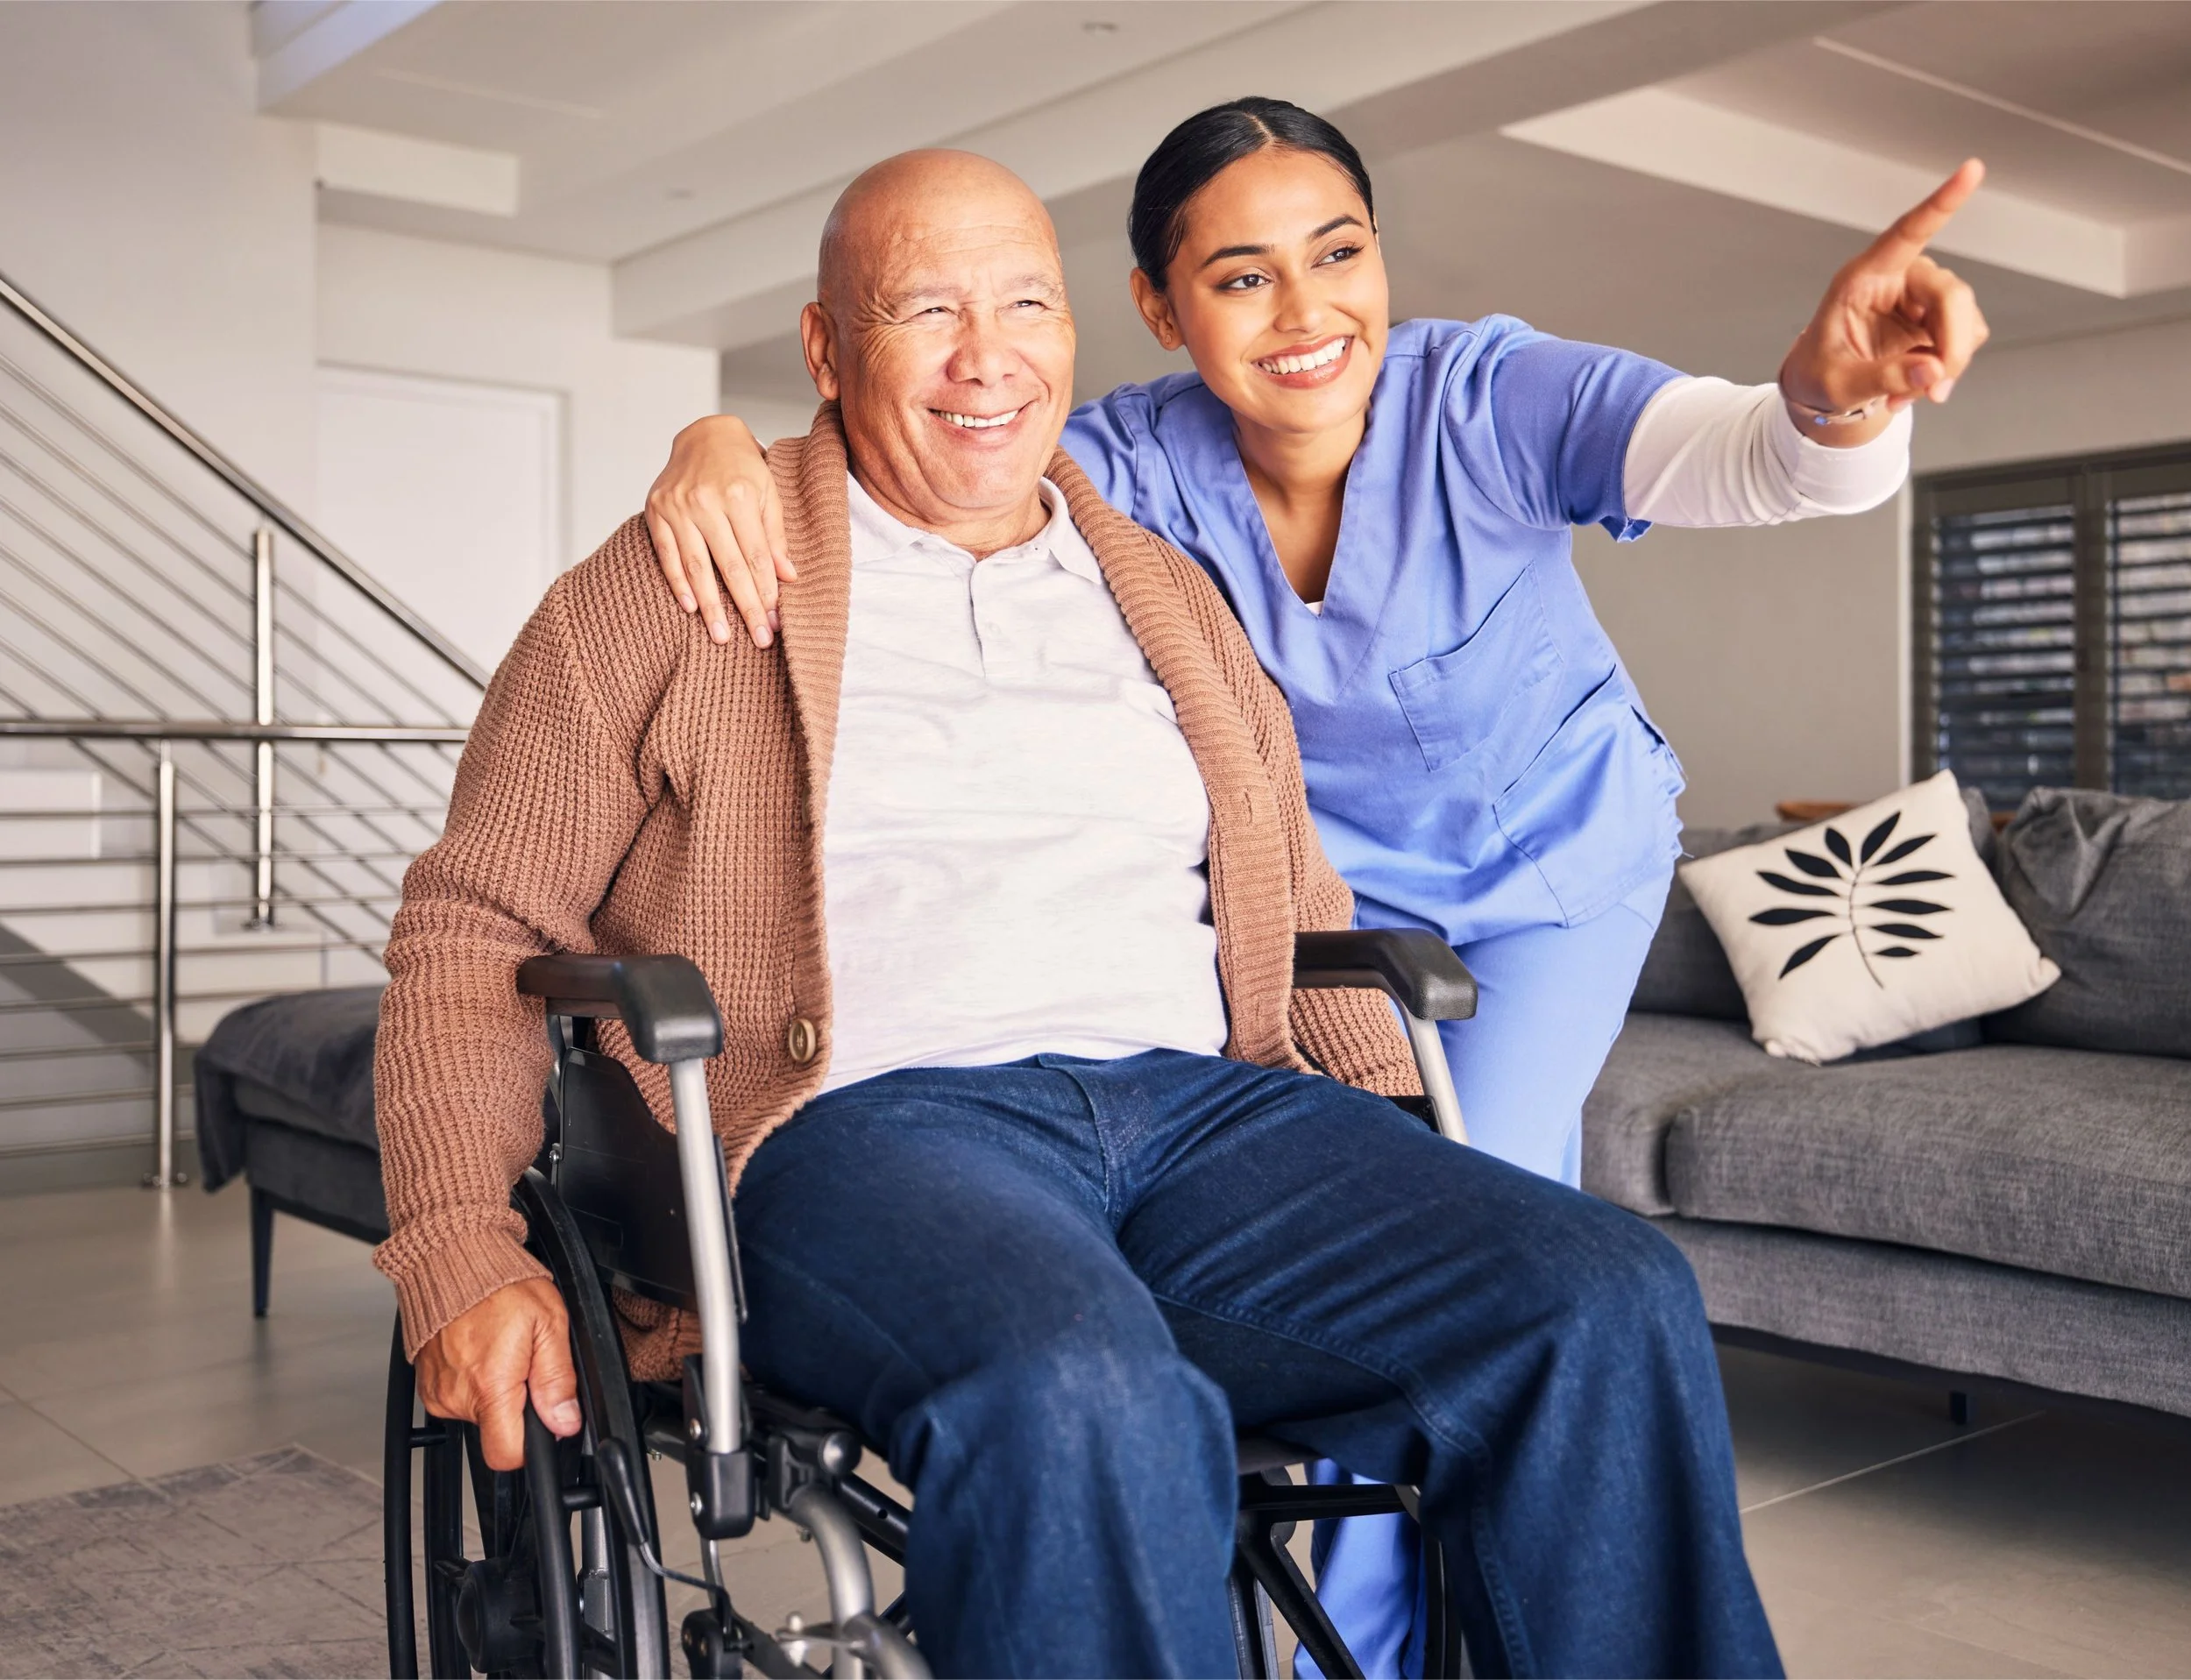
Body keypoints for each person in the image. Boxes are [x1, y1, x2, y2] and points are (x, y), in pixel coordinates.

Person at [377, 148, 1782, 1678]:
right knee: (1080, 1385)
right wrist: (460, 1237)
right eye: (928, 310)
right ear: (828, 350)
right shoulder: (677, 582)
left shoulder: (1161, 590)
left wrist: (1390, 1145)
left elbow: (1293, 894)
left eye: (1027, 304)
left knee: (1600, 1297)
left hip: (1205, 1115)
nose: (990, 357)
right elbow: (474, 922)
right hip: (869, 1127)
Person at [642, 101, 1989, 1673]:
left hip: (1551, 875)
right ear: (1157, 309)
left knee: (1519, 1236)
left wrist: (1834, 405)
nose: (1305, 313)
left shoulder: (1485, 396)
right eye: (1240, 276)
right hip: (1327, 901)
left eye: (1336, 254)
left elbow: (1749, 458)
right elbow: (922, 443)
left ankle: (1389, 1646)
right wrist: (708, 440)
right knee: (1338, 1284)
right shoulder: (1125, 461)